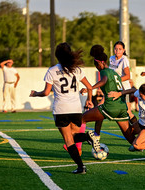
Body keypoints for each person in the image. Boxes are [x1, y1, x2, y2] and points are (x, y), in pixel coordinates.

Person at [80, 45, 145, 161]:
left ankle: (79, 147)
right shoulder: (115, 73)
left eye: (96, 65)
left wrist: (90, 88)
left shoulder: (105, 72)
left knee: (82, 119)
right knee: (133, 141)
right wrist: (119, 94)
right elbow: (130, 90)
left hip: (111, 107)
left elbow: (104, 81)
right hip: (121, 108)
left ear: (100, 63)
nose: (96, 68)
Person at [30, 43, 100, 174]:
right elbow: (90, 87)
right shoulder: (77, 69)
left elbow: (46, 92)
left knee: (68, 140)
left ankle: (81, 167)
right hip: (76, 109)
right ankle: (87, 137)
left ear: (57, 55)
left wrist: (35, 94)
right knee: (73, 137)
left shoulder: (52, 70)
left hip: (61, 109)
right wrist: (89, 100)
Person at [108, 83, 145, 162]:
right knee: (129, 133)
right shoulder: (141, 94)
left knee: (137, 145)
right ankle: (140, 145)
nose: (139, 96)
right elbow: (132, 90)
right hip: (141, 122)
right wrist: (119, 93)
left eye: (141, 95)